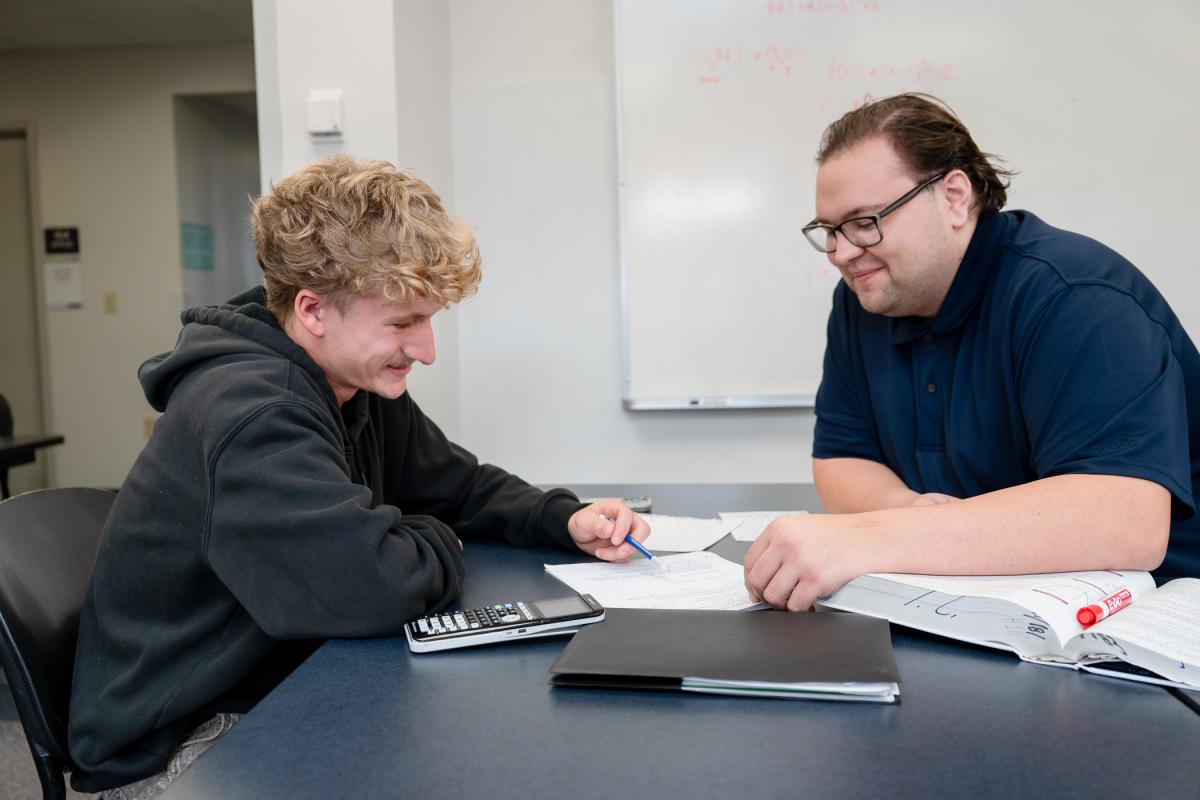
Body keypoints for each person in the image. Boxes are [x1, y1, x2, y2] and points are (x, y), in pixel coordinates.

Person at [68, 155, 649, 797]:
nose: (426, 351)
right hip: (177, 743)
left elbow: (457, 486)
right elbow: (371, 586)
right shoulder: (252, 412)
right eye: (403, 324)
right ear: (314, 310)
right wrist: (429, 535)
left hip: (271, 680)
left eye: (428, 321)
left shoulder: (350, 383)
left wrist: (562, 518)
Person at [744, 93, 1200, 611]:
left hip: (1151, 620)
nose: (843, 253)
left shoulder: (1075, 297)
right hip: (986, 606)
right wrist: (907, 509)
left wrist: (875, 536)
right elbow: (841, 458)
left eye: (864, 222)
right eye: (829, 231)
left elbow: (1126, 520)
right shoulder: (865, 301)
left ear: (955, 197)